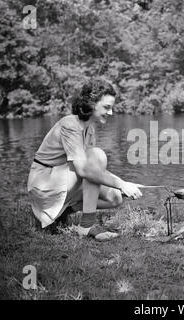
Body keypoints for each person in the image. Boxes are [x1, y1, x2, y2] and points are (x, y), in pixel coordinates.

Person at [27, 78, 143, 241]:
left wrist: (124, 184)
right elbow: (85, 170)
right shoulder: (70, 124)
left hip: (64, 179)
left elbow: (93, 170)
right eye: (107, 107)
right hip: (44, 182)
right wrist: (121, 184)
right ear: (92, 103)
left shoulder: (89, 128)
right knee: (97, 155)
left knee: (116, 197)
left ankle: (66, 210)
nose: (111, 113)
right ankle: (86, 225)